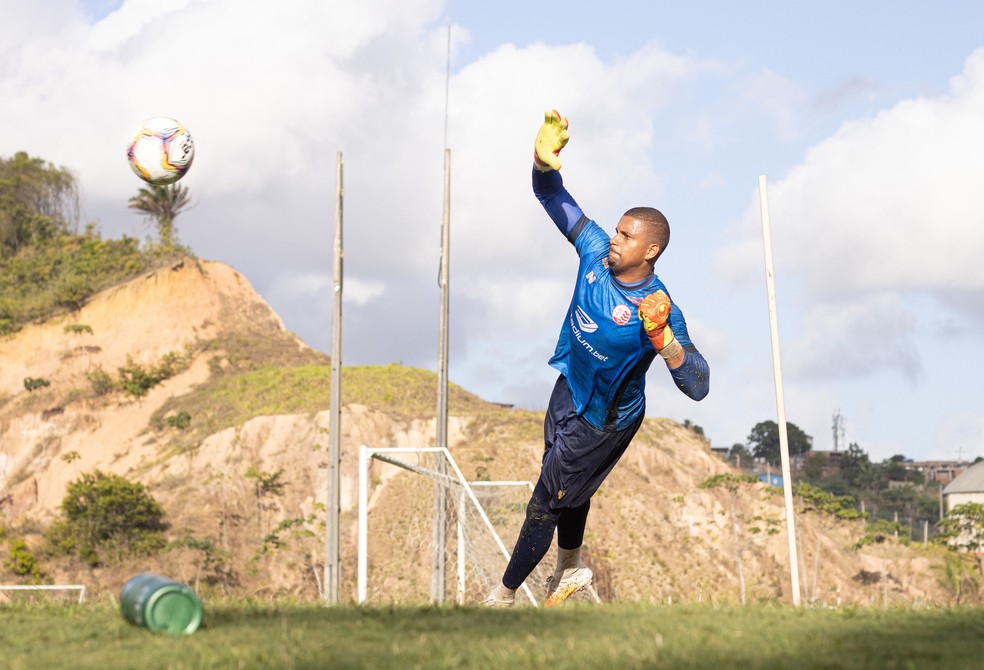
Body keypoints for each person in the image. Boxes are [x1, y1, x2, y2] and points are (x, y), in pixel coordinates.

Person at [483, 110, 710, 607]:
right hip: (568, 387)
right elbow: (552, 198)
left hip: (604, 420)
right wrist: (543, 163)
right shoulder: (593, 252)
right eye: (617, 230)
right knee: (567, 487)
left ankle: (499, 600)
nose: (615, 237)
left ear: (650, 250)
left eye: (627, 236)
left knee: (545, 501)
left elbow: (698, 384)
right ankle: (569, 568)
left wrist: (664, 341)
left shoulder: (658, 307)